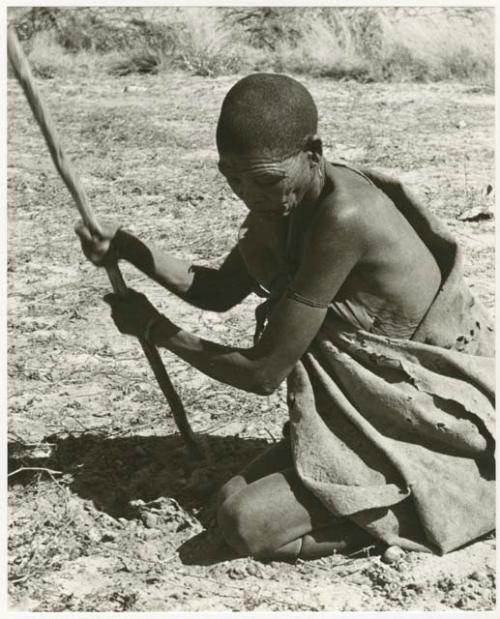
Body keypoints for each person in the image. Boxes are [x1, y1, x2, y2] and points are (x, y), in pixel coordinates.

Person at [76, 73, 495, 561]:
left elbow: (263, 373)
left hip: (430, 418)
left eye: (265, 179)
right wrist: (129, 248)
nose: (250, 195)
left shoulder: (344, 218)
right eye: (233, 180)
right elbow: (218, 291)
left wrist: (158, 330)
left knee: (246, 524)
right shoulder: (283, 205)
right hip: (374, 412)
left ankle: (449, 504)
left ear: (313, 153)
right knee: (229, 496)